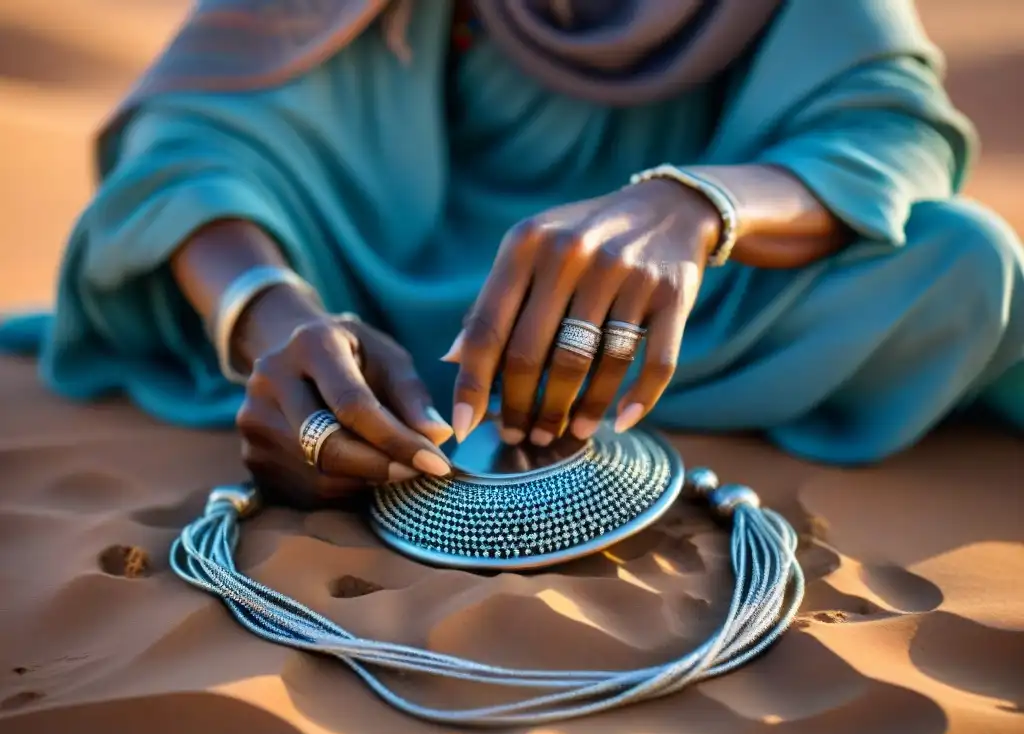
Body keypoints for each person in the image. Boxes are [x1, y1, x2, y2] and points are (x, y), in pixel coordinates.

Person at [1, 0, 1022, 508]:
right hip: (355, 294)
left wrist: (693, 209)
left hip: (685, 318)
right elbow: (180, 151)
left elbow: (890, 130)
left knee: (963, 260)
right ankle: (364, 395)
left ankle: (575, 376)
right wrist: (274, 320)